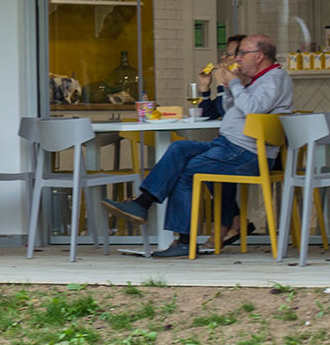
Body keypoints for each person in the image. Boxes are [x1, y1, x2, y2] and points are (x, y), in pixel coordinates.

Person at [102, 33, 293, 258]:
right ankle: (142, 203)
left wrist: (233, 83)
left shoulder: (274, 79)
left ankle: (184, 241)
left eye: (242, 53)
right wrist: (232, 88)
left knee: (189, 171)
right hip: (229, 146)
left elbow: (253, 108)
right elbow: (234, 109)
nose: (238, 58)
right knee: (179, 149)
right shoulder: (258, 80)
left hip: (248, 154)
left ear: (259, 56)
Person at [194, 34, 246, 122]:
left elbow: (226, 115)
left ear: (240, 58)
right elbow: (207, 115)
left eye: (228, 54)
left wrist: (221, 84)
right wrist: (205, 89)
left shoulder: (247, 85)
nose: (223, 57)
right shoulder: (231, 85)